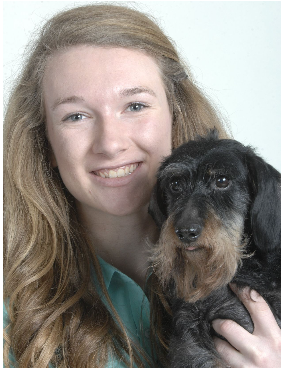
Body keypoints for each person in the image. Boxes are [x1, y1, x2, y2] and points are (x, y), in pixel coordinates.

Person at [3, 3, 280, 368]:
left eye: (134, 105)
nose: (111, 143)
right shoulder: (13, 313)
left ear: (174, 113)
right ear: (46, 143)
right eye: (76, 115)